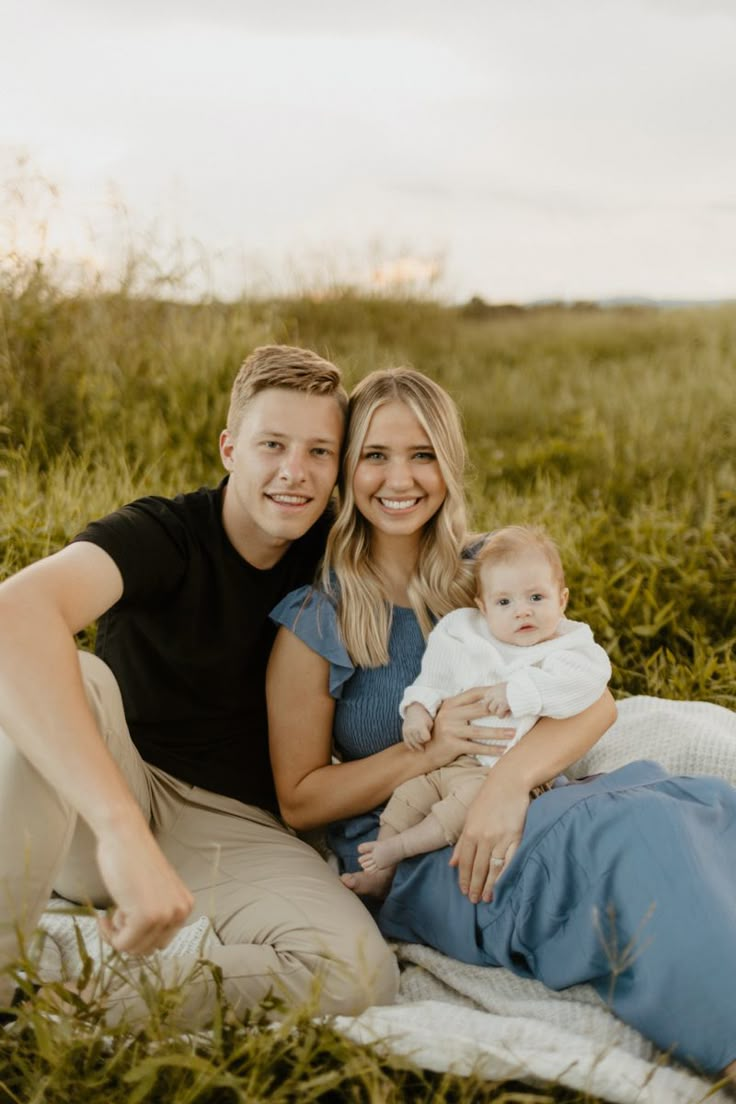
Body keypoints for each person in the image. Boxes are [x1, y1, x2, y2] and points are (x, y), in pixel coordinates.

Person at [267, 366, 736, 1078]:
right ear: (347, 468)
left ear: (449, 463)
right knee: (622, 846)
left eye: (422, 454)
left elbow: (596, 698)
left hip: (523, 794)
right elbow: (299, 798)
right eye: (376, 455)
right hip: (417, 849)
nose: (401, 478)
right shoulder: (317, 616)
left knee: (682, 812)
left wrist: (508, 784)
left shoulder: (487, 571)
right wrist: (428, 755)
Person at [0, 344, 397, 1025]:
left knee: (360, 973)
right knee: (78, 676)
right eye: (272, 444)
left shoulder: (342, 556)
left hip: (239, 829)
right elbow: (14, 612)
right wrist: (120, 828)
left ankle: (55, 1011)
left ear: (339, 468)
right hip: (108, 798)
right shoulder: (166, 534)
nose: (294, 473)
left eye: (319, 453)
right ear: (229, 449)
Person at [355, 525, 611, 896]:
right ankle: (379, 872)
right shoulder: (465, 632)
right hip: (446, 762)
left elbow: (585, 684)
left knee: (462, 811)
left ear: (563, 599)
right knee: (409, 796)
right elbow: (435, 676)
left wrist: (518, 692)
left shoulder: (568, 646)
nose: (522, 611)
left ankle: (399, 849)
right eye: (504, 602)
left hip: (501, 769)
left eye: (537, 597)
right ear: (482, 606)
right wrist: (418, 708)